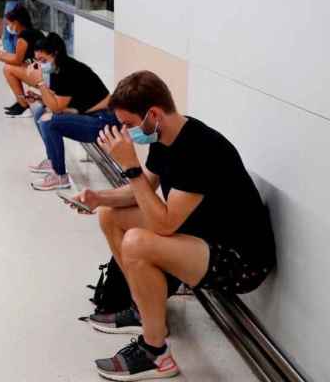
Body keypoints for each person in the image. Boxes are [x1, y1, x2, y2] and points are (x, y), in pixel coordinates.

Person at [70, 71, 275, 381]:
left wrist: (130, 167)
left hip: (240, 260)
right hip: (202, 232)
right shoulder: (164, 136)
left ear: (153, 115)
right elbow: (142, 190)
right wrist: (99, 197)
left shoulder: (199, 148)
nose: (126, 133)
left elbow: (162, 224)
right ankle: (144, 309)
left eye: (128, 125)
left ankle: (156, 354)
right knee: (110, 215)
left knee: (137, 242)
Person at [24, 33, 119, 191]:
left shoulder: (68, 70)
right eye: (37, 61)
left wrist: (39, 82)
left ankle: (60, 176)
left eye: (43, 61)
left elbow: (57, 108)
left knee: (48, 121)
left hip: (103, 120)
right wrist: (39, 97)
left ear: (55, 54)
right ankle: (52, 161)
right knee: (40, 112)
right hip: (87, 114)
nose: (40, 65)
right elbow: (57, 102)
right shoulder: (58, 69)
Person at [0, 5, 43, 117]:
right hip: (43, 73)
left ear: (17, 22)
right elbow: (19, 57)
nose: (8, 26)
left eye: (10, 23)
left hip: (41, 78)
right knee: (9, 66)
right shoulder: (34, 32)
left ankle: (23, 104)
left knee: (8, 69)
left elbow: (17, 60)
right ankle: (22, 102)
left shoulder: (23, 37)